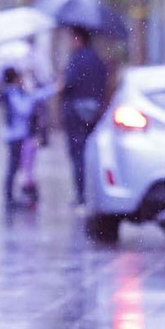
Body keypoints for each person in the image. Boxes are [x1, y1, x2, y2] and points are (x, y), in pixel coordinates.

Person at [60, 26, 110, 206]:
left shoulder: (76, 60)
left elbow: (69, 83)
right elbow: (104, 83)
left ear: (78, 38)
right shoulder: (97, 60)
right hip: (93, 112)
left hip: (76, 113)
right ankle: (91, 195)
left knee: (77, 154)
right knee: (91, 154)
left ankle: (81, 196)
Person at [0, 68, 56, 208]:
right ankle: (9, 197)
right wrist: (31, 100)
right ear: (14, 79)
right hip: (15, 136)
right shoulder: (12, 93)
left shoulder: (17, 92)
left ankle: (16, 196)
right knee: (14, 166)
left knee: (21, 166)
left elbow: (38, 95)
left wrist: (53, 88)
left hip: (19, 135)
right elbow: (23, 109)